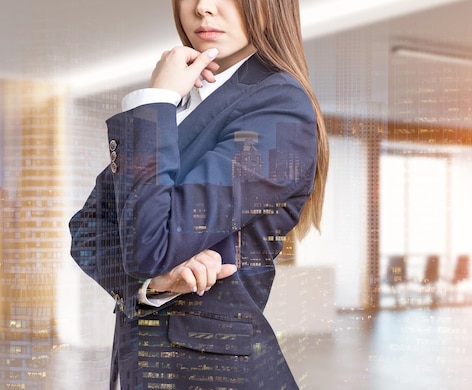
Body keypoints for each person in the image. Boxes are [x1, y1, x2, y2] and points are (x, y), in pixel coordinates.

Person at [69, 0, 329, 388]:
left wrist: (153, 101)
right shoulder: (184, 103)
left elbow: (149, 247)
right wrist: (154, 284)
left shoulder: (279, 105)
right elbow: (86, 231)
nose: (203, 7)